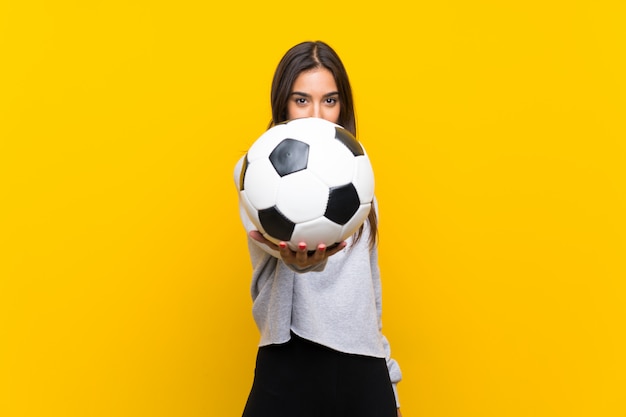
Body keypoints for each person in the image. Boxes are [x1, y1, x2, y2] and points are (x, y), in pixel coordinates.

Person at [234, 40, 403, 417]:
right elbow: (285, 250)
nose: (316, 114)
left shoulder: (359, 174)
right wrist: (302, 260)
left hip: (363, 366)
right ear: (283, 104)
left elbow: (369, 289)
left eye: (329, 100)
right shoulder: (255, 171)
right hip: (290, 356)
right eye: (301, 100)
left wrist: (388, 377)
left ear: (343, 106)